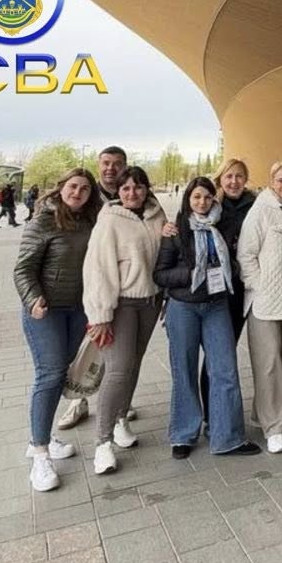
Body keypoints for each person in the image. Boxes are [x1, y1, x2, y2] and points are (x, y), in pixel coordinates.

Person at [153, 176, 261, 459]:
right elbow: (160, 274)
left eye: (207, 197)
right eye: (197, 197)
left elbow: (240, 252)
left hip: (216, 305)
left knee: (225, 370)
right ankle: (183, 434)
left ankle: (227, 436)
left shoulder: (222, 225)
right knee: (184, 370)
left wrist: (229, 268)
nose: (202, 202)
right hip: (183, 307)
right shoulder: (175, 229)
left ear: (215, 199)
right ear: (188, 199)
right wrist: (191, 275)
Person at [14, 168, 101, 491]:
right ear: (61, 188)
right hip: (46, 311)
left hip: (78, 311)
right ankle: (40, 455)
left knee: (60, 372)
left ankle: (41, 436)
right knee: (49, 374)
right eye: (73, 186)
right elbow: (23, 268)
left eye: (84, 189)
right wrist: (32, 299)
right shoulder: (43, 221)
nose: (77, 192)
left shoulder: (90, 222)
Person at [82, 166, 169, 475]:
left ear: (147, 189)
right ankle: (102, 442)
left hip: (150, 301)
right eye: (126, 188)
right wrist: (100, 315)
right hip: (121, 305)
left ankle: (121, 419)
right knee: (118, 370)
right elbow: (98, 270)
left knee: (133, 364)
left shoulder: (157, 215)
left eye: (138, 187)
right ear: (118, 192)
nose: (133, 193)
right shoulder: (109, 221)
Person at [58, 144, 131, 431]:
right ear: (98, 165)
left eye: (117, 163)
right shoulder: (89, 195)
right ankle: (77, 399)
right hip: (86, 284)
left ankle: (117, 403)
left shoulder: (131, 193)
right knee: (85, 345)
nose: (111, 168)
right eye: (106, 162)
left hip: (122, 286)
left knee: (117, 348)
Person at [238, 161, 282, 454]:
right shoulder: (260, 210)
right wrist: (259, 287)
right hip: (264, 303)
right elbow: (246, 255)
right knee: (269, 364)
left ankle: (262, 413)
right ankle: (274, 427)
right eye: (280, 180)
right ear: (271, 181)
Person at [197, 158, 255, 429]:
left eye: (239, 176)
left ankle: (219, 413)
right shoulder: (210, 206)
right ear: (220, 179)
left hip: (241, 288)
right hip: (215, 291)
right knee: (215, 353)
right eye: (229, 176)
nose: (234, 181)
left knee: (225, 352)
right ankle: (210, 416)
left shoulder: (254, 206)